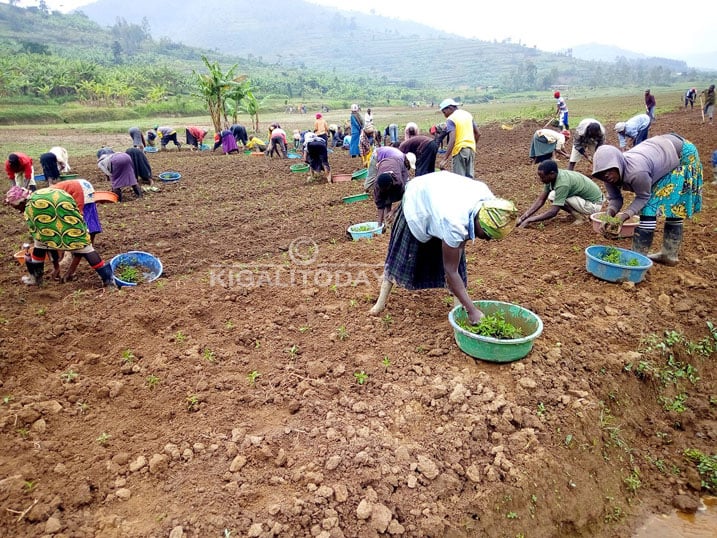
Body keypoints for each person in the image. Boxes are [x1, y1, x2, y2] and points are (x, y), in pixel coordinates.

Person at [368, 171, 518, 323]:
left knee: (458, 264)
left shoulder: (489, 202)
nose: (487, 240)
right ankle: (380, 303)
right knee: (398, 259)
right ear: (480, 222)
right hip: (417, 202)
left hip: (439, 203)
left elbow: (456, 262)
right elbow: (450, 270)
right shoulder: (455, 224)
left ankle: (459, 313)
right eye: (486, 234)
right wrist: (473, 310)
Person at [591, 133, 703, 266]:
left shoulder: (636, 172)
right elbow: (615, 199)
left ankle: (639, 260)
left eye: (609, 171)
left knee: (651, 207)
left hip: (682, 153)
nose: (606, 175)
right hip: (660, 151)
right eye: (602, 173)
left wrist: (623, 218)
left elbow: (643, 196)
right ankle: (660, 255)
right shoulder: (609, 176)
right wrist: (608, 216)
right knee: (651, 205)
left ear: (617, 164)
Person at [4, 186, 115, 287]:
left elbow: (44, 236)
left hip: (60, 209)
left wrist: (56, 265)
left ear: (21, 202)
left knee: (40, 243)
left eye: (16, 207)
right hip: (68, 213)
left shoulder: (30, 208)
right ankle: (108, 279)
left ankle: (36, 278)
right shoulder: (39, 193)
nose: (18, 211)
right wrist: (56, 265)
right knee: (84, 247)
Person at [517, 159, 604, 227]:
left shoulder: (562, 183)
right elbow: (541, 200)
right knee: (552, 195)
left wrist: (530, 220)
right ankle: (577, 213)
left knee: (554, 196)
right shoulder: (553, 177)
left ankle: (580, 217)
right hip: (584, 200)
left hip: (593, 205)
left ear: (552, 173)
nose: (541, 180)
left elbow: (553, 212)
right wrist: (523, 217)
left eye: (542, 177)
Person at [50, 179, 104, 281]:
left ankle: (73, 271)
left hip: (82, 191)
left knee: (84, 236)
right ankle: (71, 265)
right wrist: (56, 266)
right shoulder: (46, 208)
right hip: (74, 191)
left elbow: (79, 233)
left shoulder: (53, 205)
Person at [437, 98, 480, 178]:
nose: (444, 115)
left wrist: (445, 158)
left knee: (459, 180)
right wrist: (472, 146)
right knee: (469, 179)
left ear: (450, 108)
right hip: (471, 149)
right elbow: (478, 133)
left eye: (444, 112)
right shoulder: (468, 115)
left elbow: (453, 138)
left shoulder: (451, 119)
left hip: (459, 150)